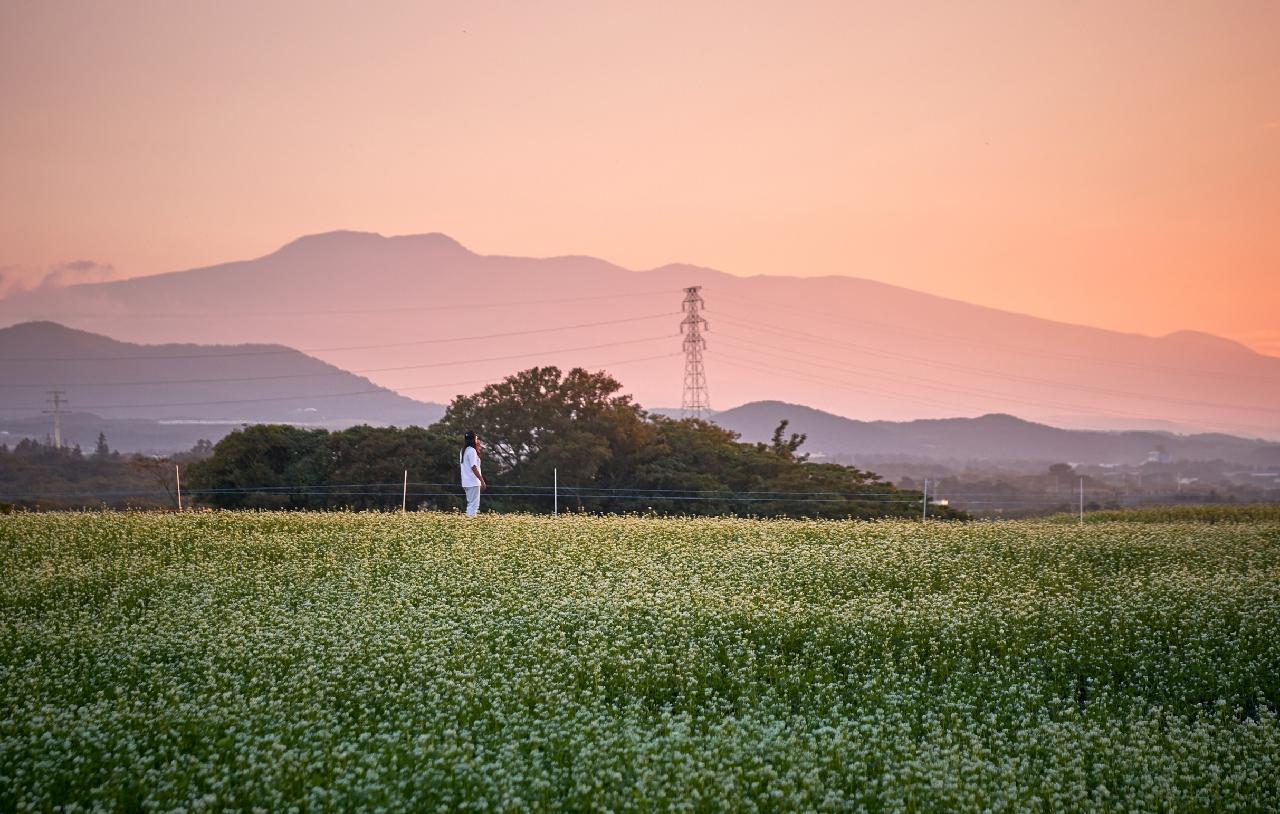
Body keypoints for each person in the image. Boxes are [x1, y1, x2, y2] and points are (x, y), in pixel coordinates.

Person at [459, 431, 486, 517]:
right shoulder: (472, 451)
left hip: (466, 482)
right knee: (474, 506)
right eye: (476, 438)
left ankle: (468, 522)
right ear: (473, 439)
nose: (477, 440)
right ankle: (470, 523)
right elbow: (474, 467)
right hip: (473, 482)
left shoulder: (463, 451)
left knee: (471, 504)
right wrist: (482, 481)